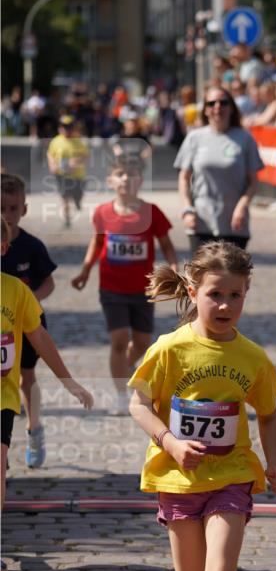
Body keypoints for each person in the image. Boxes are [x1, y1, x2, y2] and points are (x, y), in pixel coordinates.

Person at [128, 242, 276, 571]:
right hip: (177, 480)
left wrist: (274, 462)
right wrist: (170, 442)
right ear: (194, 292)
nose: (225, 306)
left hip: (232, 475)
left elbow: (270, 414)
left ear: (246, 295)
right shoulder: (171, 348)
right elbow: (138, 402)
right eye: (216, 294)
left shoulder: (252, 357)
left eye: (236, 296)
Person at [1, 217, 93, 571]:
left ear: (3, 249)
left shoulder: (16, 291)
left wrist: (68, 381)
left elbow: (39, 338)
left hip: (3, 399)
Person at [71, 157, 178, 415]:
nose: (126, 179)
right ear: (110, 181)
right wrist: (85, 270)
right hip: (112, 288)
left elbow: (166, 245)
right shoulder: (102, 213)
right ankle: (120, 394)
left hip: (144, 289)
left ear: (140, 181)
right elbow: (97, 244)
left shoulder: (152, 212)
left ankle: (126, 369)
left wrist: (174, 271)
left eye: (131, 175)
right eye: (120, 174)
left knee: (142, 343)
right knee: (119, 340)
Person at [0, 174, 58, 468]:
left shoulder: (32, 246)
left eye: (13, 208)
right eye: (1, 209)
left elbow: (49, 283)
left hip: (28, 326)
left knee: (26, 378)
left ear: (23, 209)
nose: (7, 216)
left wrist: (31, 298)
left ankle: (34, 428)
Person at [175, 84, 264, 255]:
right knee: (201, 280)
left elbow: (253, 182)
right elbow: (184, 178)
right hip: (201, 222)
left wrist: (242, 207)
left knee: (233, 280)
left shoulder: (245, 138)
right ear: (205, 110)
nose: (217, 107)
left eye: (223, 102)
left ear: (231, 107)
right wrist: (187, 209)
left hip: (234, 224)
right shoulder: (195, 138)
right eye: (211, 103)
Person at [46, 115, 90, 227]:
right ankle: (67, 220)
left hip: (77, 176)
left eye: (69, 127)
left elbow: (86, 157)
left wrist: (75, 163)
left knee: (77, 195)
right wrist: (52, 165)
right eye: (64, 127)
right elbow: (50, 154)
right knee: (65, 197)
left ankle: (77, 201)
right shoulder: (56, 141)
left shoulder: (79, 142)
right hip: (62, 175)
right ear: (60, 128)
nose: (67, 130)